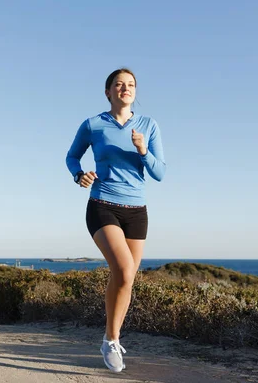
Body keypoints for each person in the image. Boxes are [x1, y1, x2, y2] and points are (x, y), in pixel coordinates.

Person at [65, 68, 166, 372]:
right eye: (119, 84)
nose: (126, 88)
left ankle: (111, 337)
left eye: (131, 84)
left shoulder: (148, 125)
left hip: (137, 210)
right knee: (122, 269)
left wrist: (143, 151)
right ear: (108, 91)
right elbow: (71, 157)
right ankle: (111, 340)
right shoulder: (94, 124)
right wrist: (79, 175)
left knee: (126, 277)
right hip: (102, 204)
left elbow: (160, 172)